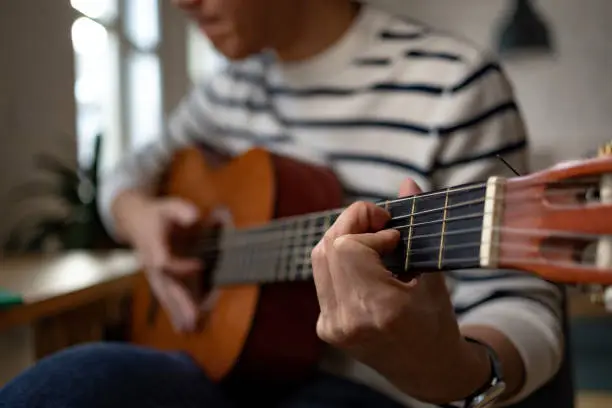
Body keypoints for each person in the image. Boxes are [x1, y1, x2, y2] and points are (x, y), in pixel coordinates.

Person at [0, 0, 563, 407]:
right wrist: (140, 218)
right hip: (223, 366)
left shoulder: (452, 83)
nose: (182, 3)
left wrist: (444, 369)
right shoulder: (230, 88)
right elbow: (125, 176)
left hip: (375, 393)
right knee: (58, 387)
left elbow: (521, 304)